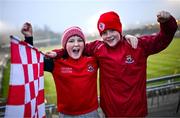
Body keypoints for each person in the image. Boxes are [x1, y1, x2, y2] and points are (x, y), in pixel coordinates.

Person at [54, 10, 177, 117]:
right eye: (104, 33)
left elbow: (163, 39)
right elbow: (75, 48)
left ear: (119, 29)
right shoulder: (98, 47)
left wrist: (167, 22)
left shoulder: (138, 45)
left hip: (136, 112)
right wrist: (58, 53)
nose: (108, 36)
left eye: (112, 30)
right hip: (110, 113)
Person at [21, 24, 99, 117]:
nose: (76, 44)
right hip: (66, 115)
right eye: (71, 41)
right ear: (65, 46)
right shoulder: (57, 63)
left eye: (80, 40)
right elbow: (32, 61)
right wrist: (28, 37)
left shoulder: (93, 60)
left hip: (91, 113)